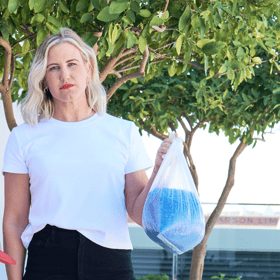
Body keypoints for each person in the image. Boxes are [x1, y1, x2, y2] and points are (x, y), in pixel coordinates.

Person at [2, 28, 178, 280]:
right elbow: (14, 221)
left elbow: (139, 214)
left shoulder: (123, 132)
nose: (65, 74)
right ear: (44, 80)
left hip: (111, 264)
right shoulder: (24, 138)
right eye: (54, 68)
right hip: (47, 263)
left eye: (72, 64)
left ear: (89, 69)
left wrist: (160, 170)